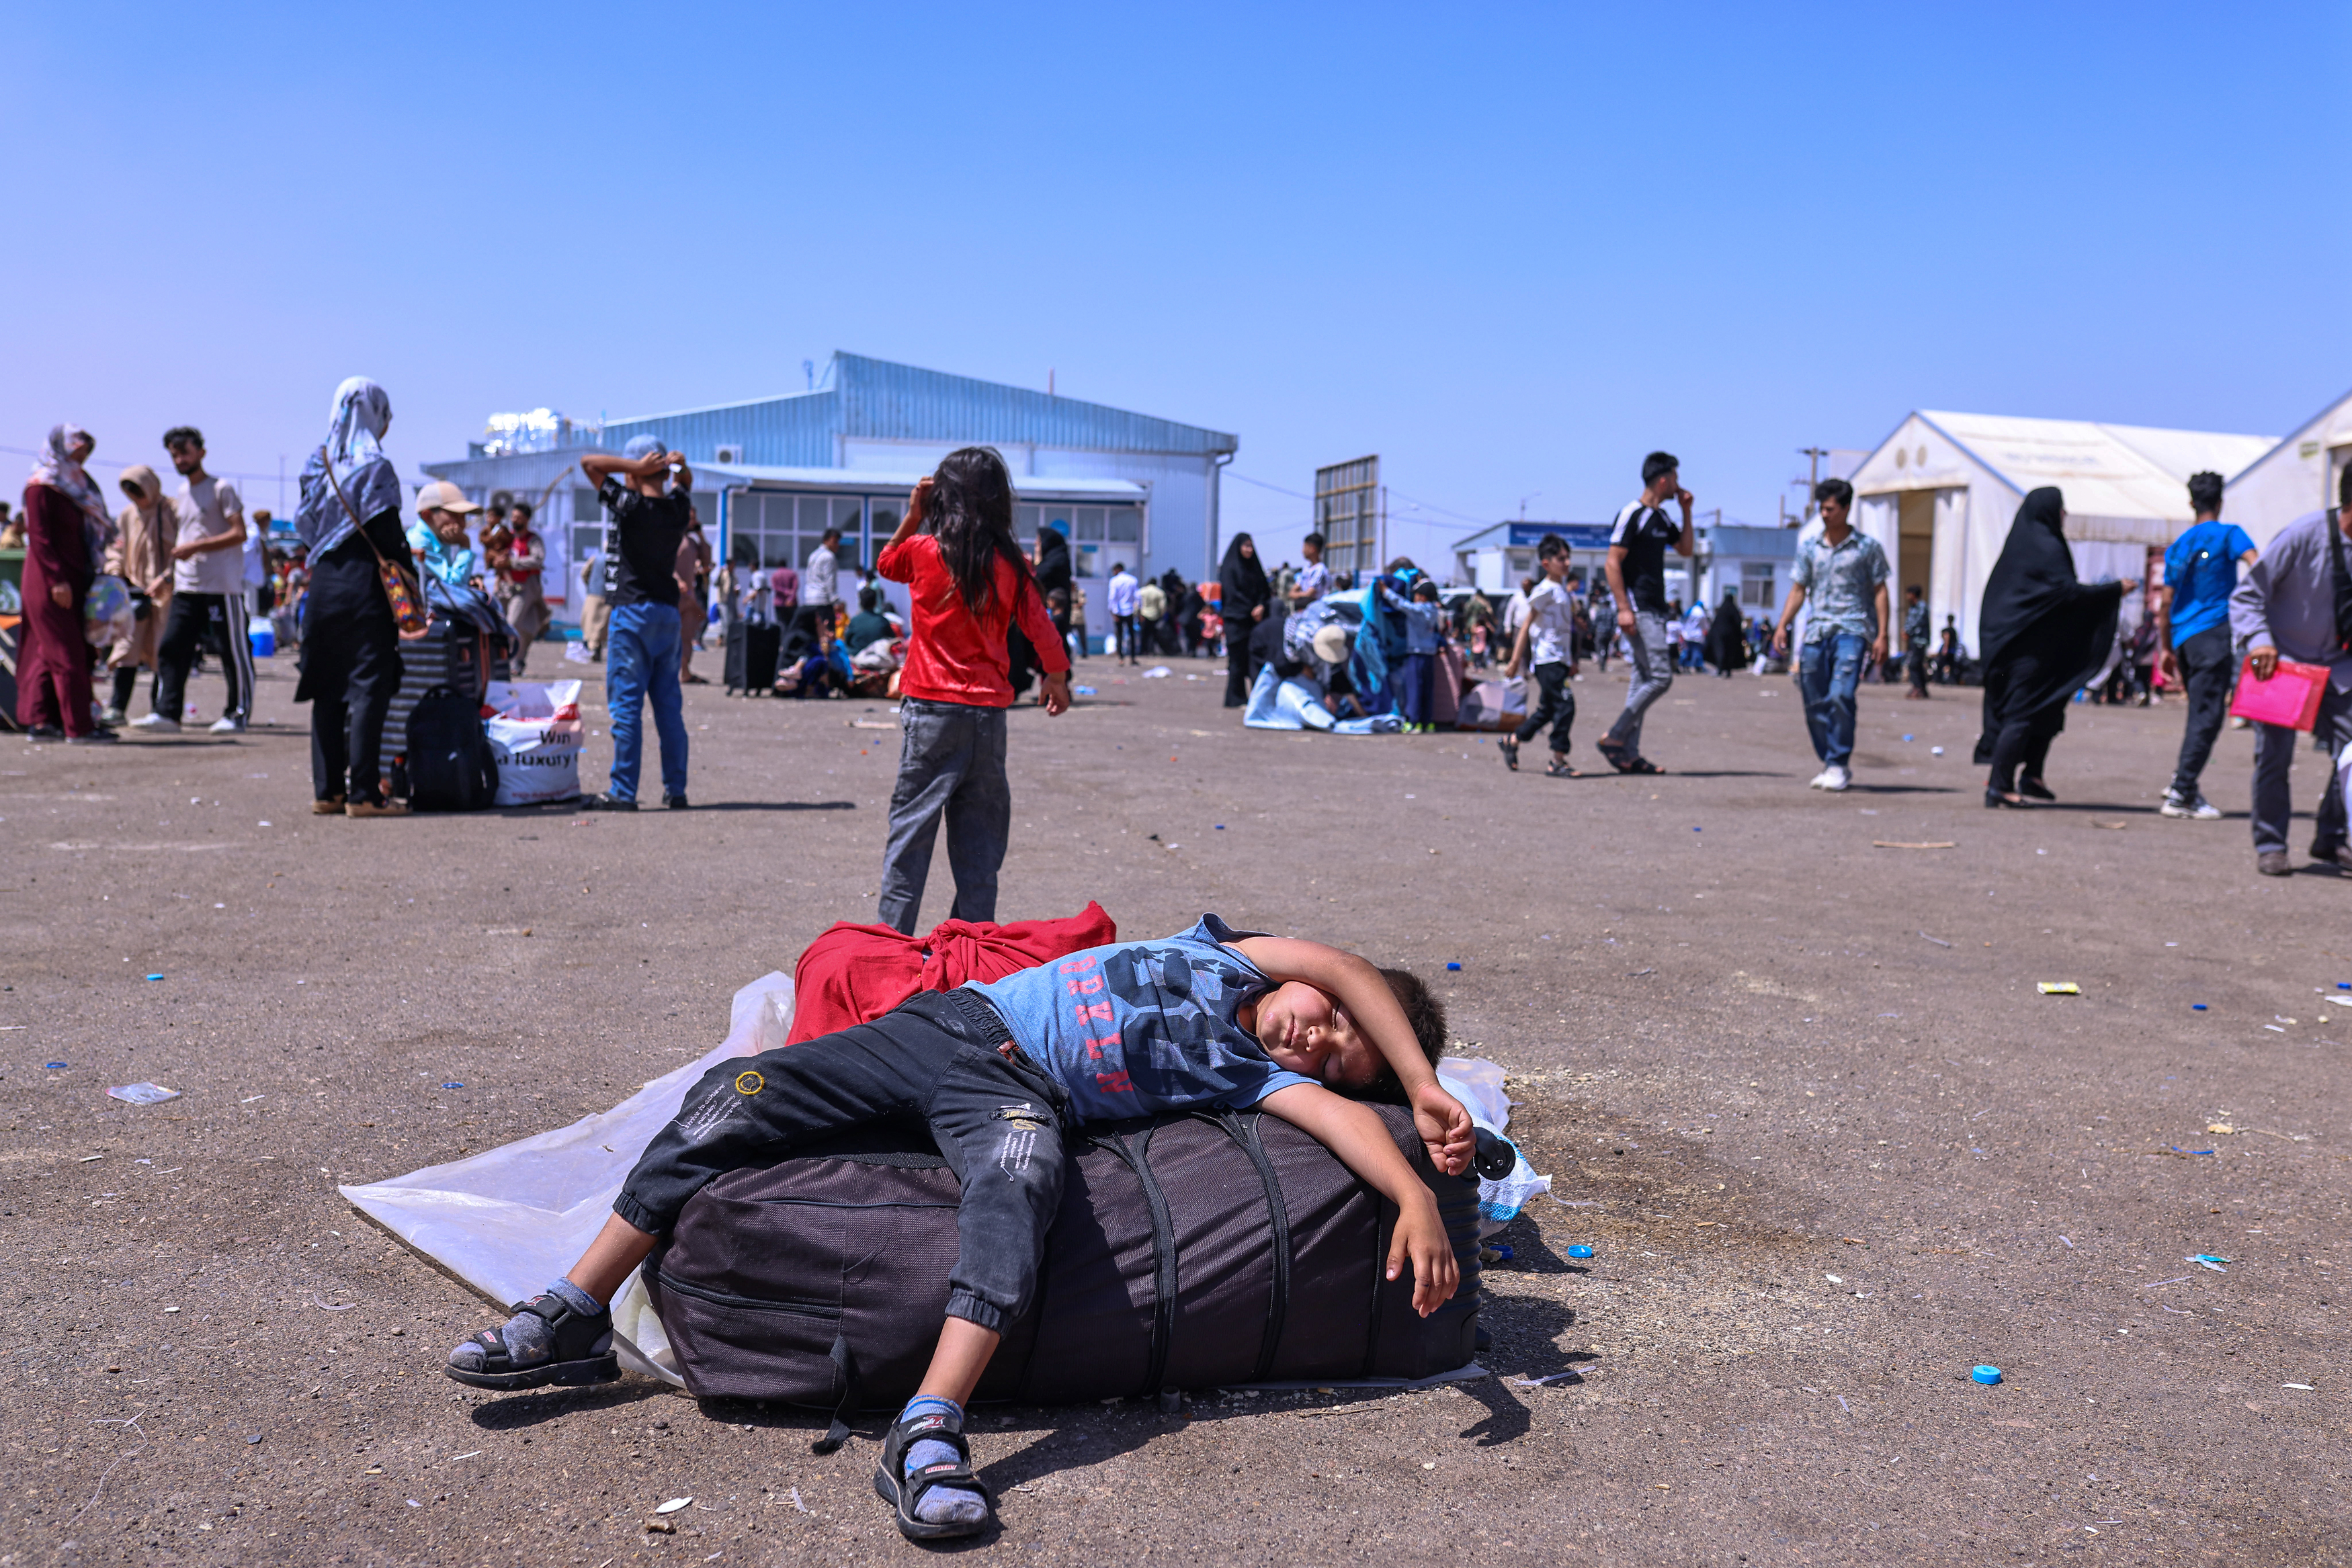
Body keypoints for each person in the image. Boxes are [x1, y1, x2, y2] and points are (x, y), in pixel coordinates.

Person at [439, 914, 1470, 1539]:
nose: (1316, 1038)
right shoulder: (1229, 954)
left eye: (1330, 1056)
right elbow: (1342, 965)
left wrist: (1416, 1190)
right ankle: (577, 1304)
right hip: (946, 1025)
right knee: (735, 1093)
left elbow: (1337, 1115)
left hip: (1018, 1090)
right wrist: (1419, 1080)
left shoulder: (1250, 1074)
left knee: (1020, 1186)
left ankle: (928, 1428)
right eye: (1331, 1019)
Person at [874, 447, 1073, 933]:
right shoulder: (1011, 563)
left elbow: (885, 563)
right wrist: (1056, 676)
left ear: (944, 496)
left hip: (931, 713)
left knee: (910, 841)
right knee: (980, 850)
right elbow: (1040, 626)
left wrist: (913, 514)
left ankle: (889, 950)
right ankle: (972, 957)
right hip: (987, 717)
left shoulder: (923, 552)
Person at [292, 380, 417, 814]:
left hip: (322, 585)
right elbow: (387, 536)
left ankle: (328, 792)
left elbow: (308, 529)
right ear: (375, 412)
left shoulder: (316, 461)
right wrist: (412, 581)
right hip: (366, 587)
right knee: (368, 688)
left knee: (326, 685)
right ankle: (365, 794)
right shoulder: (375, 466)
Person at [1971, 487, 2134, 809]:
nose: (2065, 515)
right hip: (2023, 652)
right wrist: (2115, 589)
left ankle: (2033, 776)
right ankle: (2000, 786)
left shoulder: (2026, 545)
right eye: (2061, 509)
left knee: (2048, 707)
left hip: (2027, 647)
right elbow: (2068, 594)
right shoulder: (2045, 547)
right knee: (2020, 714)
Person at [2228, 467, 2352, 876]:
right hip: (2282, 664)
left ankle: (2331, 838)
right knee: (2274, 757)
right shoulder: (2302, 535)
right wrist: (2260, 641)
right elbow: (2248, 597)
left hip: (2338, 666)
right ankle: (2271, 843)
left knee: (2350, 755)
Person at [578, 437, 693, 810]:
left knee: (626, 707)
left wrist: (635, 469)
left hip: (632, 614)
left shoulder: (629, 505)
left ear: (638, 469)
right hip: (667, 614)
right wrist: (677, 468)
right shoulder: (677, 507)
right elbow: (685, 485)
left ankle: (624, 792)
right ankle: (676, 790)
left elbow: (589, 464)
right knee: (668, 709)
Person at [1769, 479, 1891, 793]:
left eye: (1830, 508)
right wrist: (1783, 624)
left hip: (1853, 629)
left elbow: (1880, 591)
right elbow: (1798, 589)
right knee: (1813, 697)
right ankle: (1829, 759)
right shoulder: (1810, 548)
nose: (1824, 514)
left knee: (1841, 694)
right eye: (1821, 508)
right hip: (1816, 630)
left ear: (1846, 509)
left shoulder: (1867, 548)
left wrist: (1883, 635)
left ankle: (1838, 762)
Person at [2154, 472, 2257, 822]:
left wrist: (2166, 648)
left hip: (2182, 639)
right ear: (2220, 501)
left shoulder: (2180, 545)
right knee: (2208, 716)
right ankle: (2182, 792)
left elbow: (2165, 604)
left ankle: (2182, 783)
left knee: (2199, 711)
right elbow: (2257, 565)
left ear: (2191, 503)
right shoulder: (2230, 535)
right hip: (2212, 634)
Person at [136, 427, 253, 734]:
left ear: (201, 452)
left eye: (184, 453)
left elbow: (238, 533)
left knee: (231, 651)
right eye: (174, 455)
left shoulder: (221, 489)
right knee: (172, 646)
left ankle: (237, 713)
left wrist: (196, 548)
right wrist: (167, 575)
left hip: (221, 587)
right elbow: (184, 540)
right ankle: (168, 713)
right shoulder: (183, 493)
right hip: (188, 586)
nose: (180, 459)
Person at [1597, 451, 1696, 773]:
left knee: (1641, 679)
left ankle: (1629, 753)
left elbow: (1685, 549)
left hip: (1656, 609)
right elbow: (1612, 562)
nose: (1678, 486)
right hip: (1639, 610)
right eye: (1676, 480)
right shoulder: (1633, 513)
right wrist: (1624, 608)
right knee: (1661, 677)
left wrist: (1686, 512)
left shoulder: (1663, 518)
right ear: (1664, 479)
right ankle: (1615, 736)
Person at [16, 425, 116, 743]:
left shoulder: (76, 488)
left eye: (85, 453)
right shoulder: (41, 487)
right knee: (67, 653)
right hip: (49, 581)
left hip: (76, 579)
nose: (80, 459)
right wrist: (57, 579)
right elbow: (40, 539)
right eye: (76, 451)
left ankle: (44, 722)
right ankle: (80, 727)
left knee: (48, 653)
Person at [1500, 533, 1580, 775]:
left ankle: (1512, 741)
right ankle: (1557, 761)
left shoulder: (1563, 591)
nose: (1566, 563)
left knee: (1547, 709)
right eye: (1561, 559)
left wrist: (1572, 660)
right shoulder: (1544, 591)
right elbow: (1526, 625)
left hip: (1560, 659)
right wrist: (1515, 660)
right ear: (1546, 563)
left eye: (1568, 558)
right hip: (1547, 660)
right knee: (1566, 705)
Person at [102, 464, 174, 726]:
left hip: (167, 593)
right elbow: (117, 549)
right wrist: (114, 572)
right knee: (126, 650)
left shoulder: (172, 511)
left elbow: (184, 550)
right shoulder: (127, 516)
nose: (137, 498)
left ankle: (162, 710)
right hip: (134, 594)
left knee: (162, 650)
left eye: (140, 491)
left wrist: (167, 577)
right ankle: (117, 708)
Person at [491, 499, 550, 675]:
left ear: (526, 519)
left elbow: (538, 560)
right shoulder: (507, 538)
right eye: (513, 516)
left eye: (518, 517)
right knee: (515, 626)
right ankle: (514, 660)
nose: (514, 520)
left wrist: (513, 562)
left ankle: (511, 661)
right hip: (505, 588)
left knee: (513, 623)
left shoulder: (533, 540)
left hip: (524, 589)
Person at [1218, 533, 1272, 707]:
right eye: (1246, 546)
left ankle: (1257, 698)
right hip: (1236, 619)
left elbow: (1265, 590)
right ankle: (1235, 698)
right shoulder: (1230, 567)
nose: (1249, 550)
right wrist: (1251, 609)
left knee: (1255, 660)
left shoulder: (1255, 568)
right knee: (1237, 661)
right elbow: (1232, 594)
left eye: (1251, 546)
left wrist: (1261, 605)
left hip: (1255, 621)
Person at [676, 509, 714, 684]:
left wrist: (701, 535)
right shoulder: (671, 538)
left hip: (688, 598)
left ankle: (685, 671)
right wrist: (676, 580)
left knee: (687, 634)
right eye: (690, 518)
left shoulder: (692, 543)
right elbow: (663, 564)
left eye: (695, 519)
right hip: (672, 595)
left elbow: (707, 561)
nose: (693, 521)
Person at [796, 525, 843, 658]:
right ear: (826, 540)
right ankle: (826, 670)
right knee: (826, 638)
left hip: (810, 601)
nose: (837, 545)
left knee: (813, 638)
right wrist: (836, 601)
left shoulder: (814, 555)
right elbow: (830, 581)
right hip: (823, 602)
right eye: (835, 542)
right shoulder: (828, 557)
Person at [1704, 589, 1747, 678]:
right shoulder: (1734, 610)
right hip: (1731, 636)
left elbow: (1715, 624)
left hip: (1719, 635)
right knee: (1729, 653)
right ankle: (1728, 670)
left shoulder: (1722, 610)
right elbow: (1738, 622)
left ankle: (1720, 669)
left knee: (1720, 651)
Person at [1106, 560, 1140, 664]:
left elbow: (1112, 597)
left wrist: (1112, 611)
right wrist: (1139, 609)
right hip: (1130, 610)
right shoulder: (1133, 580)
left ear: (1118, 570)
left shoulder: (1114, 581)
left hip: (1118, 611)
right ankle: (1133, 657)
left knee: (1119, 635)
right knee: (1132, 634)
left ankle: (1121, 658)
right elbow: (1137, 596)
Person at [1900, 585, 1931, 698]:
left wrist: (1907, 631)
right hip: (1914, 639)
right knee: (1917, 665)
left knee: (1914, 664)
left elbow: (1917, 621)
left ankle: (1918, 688)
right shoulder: (1913, 607)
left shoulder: (1921, 606)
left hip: (1920, 640)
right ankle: (1921, 688)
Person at [1291, 531, 1330, 609]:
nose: (1302, 551)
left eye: (1304, 547)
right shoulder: (1306, 569)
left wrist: (1298, 594)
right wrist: (1303, 594)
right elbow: (1291, 593)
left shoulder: (1320, 570)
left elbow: (1309, 594)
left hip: (1316, 612)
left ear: (1312, 549)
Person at [1135, 572, 1166, 656]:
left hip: (1144, 615)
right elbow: (1163, 606)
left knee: (1143, 634)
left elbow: (1137, 604)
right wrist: (1161, 614)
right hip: (1155, 616)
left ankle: (1142, 650)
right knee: (1152, 634)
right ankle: (1151, 651)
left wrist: (1137, 614)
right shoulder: (1160, 592)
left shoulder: (1142, 591)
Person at [1935, 615, 1961, 685]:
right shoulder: (1954, 630)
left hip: (1948, 650)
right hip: (1953, 650)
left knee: (1940, 665)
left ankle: (1939, 680)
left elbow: (1947, 639)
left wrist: (1945, 648)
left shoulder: (1947, 630)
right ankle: (1952, 681)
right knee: (1952, 666)